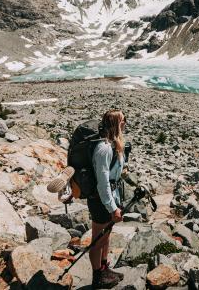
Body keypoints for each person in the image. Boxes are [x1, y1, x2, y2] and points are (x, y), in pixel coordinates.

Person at [89, 109, 127, 288]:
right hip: (101, 200)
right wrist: (112, 208)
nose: (125, 124)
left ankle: (104, 267)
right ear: (115, 124)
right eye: (122, 121)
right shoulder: (104, 148)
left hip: (110, 196)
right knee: (97, 239)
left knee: (107, 234)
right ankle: (97, 277)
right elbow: (102, 183)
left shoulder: (114, 145)